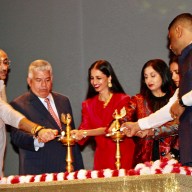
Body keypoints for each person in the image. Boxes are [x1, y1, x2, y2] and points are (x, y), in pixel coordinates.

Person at [120, 13, 192, 167]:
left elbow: (179, 103)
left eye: (170, 37)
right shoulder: (185, 60)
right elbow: (171, 109)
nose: (169, 45)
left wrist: (183, 102)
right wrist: (139, 125)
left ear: (179, 31)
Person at [10, 59, 84, 175]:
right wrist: (38, 138)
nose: (44, 85)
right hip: (39, 172)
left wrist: (80, 171)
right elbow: (17, 137)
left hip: (67, 170)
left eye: (47, 80)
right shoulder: (19, 104)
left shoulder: (63, 101)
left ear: (52, 80)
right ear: (29, 81)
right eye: (38, 80)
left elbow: (70, 136)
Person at [0, 50, 57, 177]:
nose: (4, 67)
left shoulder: (1, 88)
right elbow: (10, 115)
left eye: (5, 62)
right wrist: (38, 130)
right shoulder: (18, 103)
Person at [71, 60, 135, 170]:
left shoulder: (123, 100)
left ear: (109, 78)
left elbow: (111, 128)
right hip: (102, 157)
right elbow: (84, 128)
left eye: (98, 78)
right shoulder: (88, 104)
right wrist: (76, 134)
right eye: (92, 78)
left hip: (123, 154)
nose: (94, 82)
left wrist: (85, 133)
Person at [126, 59, 178, 166]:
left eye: (153, 75)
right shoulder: (138, 100)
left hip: (172, 156)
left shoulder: (176, 97)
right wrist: (124, 127)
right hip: (144, 159)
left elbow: (179, 126)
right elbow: (122, 119)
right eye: (146, 77)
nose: (149, 80)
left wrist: (175, 152)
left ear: (163, 75)